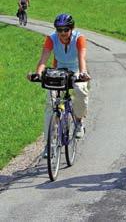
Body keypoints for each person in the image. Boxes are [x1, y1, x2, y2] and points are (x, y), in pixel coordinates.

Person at [28, 13, 90, 156]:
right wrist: (38, 73)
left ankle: (79, 122)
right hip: (58, 70)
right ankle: (49, 144)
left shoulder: (79, 38)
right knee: (50, 104)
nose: (62, 33)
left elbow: (82, 58)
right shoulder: (51, 39)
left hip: (75, 70)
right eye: (59, 29)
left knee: (81, 90)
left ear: (71, 29)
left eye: (65, 29)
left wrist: (83, 73)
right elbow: (44, 59)